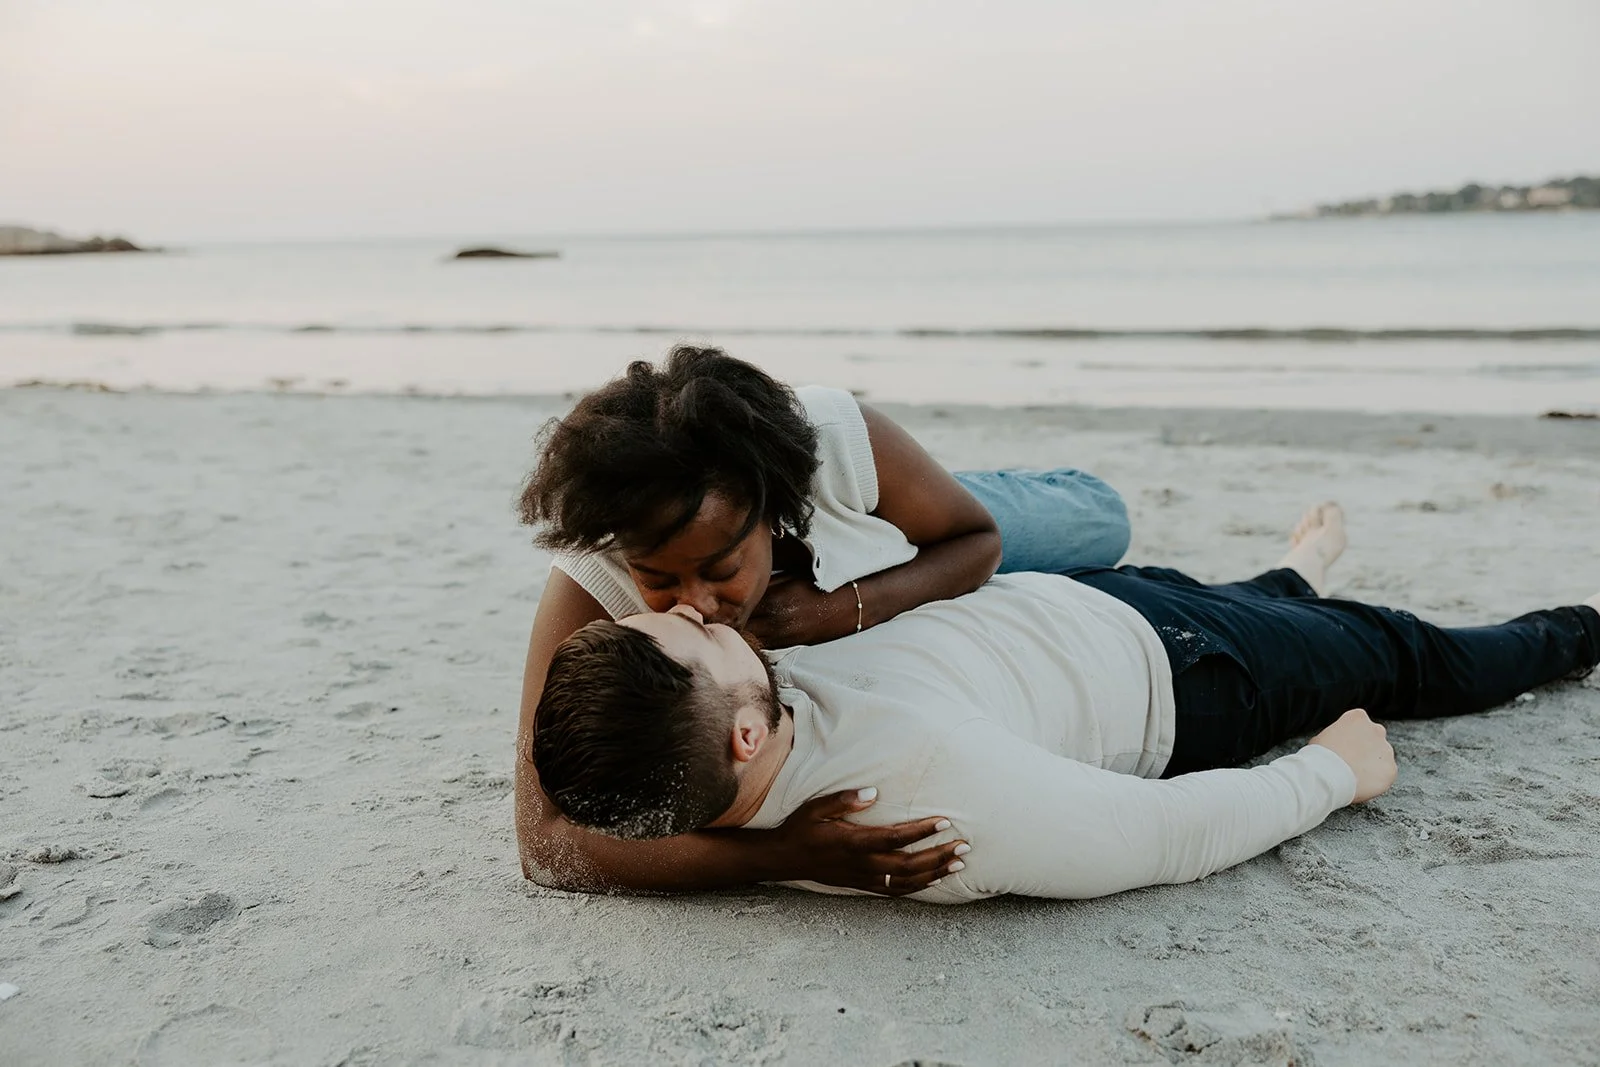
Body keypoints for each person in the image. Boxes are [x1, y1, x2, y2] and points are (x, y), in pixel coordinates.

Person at [528, 505, 1600, 902]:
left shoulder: (691, 752)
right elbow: (1157, 837)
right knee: (1406, 651)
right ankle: (1582, 625)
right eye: (693, 629)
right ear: (745, 731)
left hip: (1076, 611)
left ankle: (1288, 578)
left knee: (1242, 593)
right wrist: (1330, 772)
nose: (716, 612)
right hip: (1185, 673)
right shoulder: (925, 808)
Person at [514, 346, 1129, 894]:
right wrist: (775, 856)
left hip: (886, 527)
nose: (696, 605)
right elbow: (545, 847)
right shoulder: (600, 561)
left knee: (1102, 524)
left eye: (722, 567)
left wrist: (838, 610)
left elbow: (977, 543)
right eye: (659, 580)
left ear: (769, 514)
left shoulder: (837, 445)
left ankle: (955, 483)